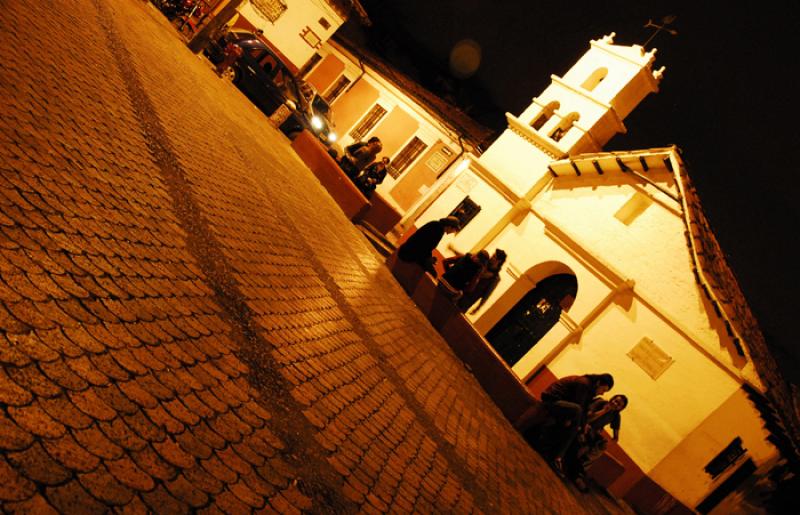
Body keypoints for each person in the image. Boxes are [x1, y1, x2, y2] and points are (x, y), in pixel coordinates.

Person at [538, 373, 615, 476]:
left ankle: (556, 456)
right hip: (552, 400)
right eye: (603, 390)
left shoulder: (589, 389)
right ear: (598, 383)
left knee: (577, 427)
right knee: (576, 420)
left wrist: (583, 427)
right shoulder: (584, 384)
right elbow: (579, 406)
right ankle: (557, 457)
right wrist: (581, 426)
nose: (602, 393)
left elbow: (582, 408)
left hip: (564, 405)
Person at [568, 394, 628, 491]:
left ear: (620, 408)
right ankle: (576, 471)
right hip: (584, 425)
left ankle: (582, 462)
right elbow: (587, 418)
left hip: (593, 432)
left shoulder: (615, 415)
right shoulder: (600, 403)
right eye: (615, 400)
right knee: (583, 440)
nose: (615, 404)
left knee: (602, 444)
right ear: (612, 399)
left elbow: (616, 434)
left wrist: (613, 439)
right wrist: (603, 411)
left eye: (619, 404)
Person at [397, 216, 461, 274]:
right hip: (409, 253)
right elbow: (425, 248)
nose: (453, 232)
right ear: (450, 227)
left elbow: (426, 245)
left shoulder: (435, 224)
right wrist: (429, 259)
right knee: (433, 274)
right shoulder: (439, 230)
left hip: (406, 248)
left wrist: (430, 258)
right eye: (454, 230)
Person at [459, 249, 507, 313]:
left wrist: (479, 307)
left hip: (469, 299)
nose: (491, 257)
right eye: (492, 255)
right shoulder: (484, 263)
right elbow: (470, 258)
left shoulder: (495, 278)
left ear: (499, 261)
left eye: (494, 257)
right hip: (461, 288)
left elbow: (487, 293)